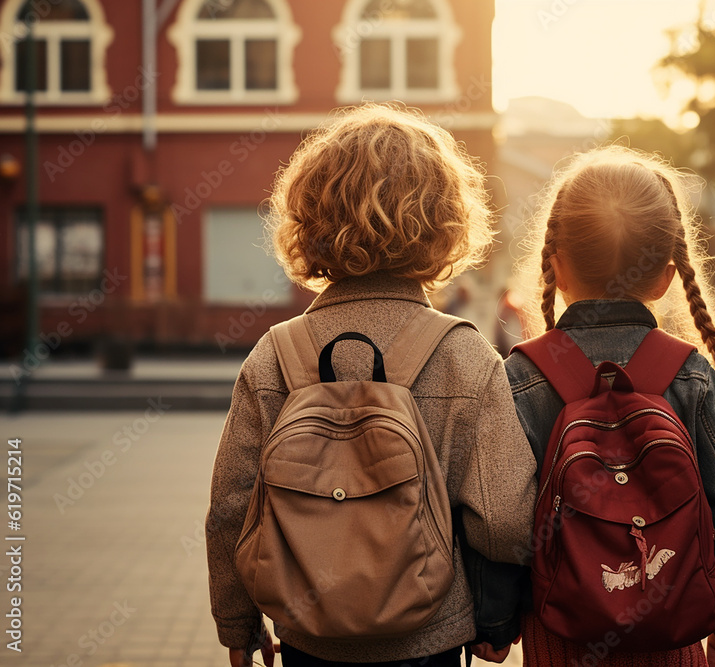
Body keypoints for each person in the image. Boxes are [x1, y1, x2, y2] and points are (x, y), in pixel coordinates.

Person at [205, 104, 538, 667]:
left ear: (308, 218)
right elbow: (504, 520)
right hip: (429, 635)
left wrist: (237, 623)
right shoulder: (463, 353)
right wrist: (494, 616)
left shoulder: (276, 354)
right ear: (445, 221)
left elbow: (230, 510)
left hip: (309, 636)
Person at [489, 146, 715, 667]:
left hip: (560, 635)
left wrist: (495, 620)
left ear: (556, 267)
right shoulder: (689, 374)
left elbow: (503, 518)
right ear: (667, 277)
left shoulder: (523, 376)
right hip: (672, 628)